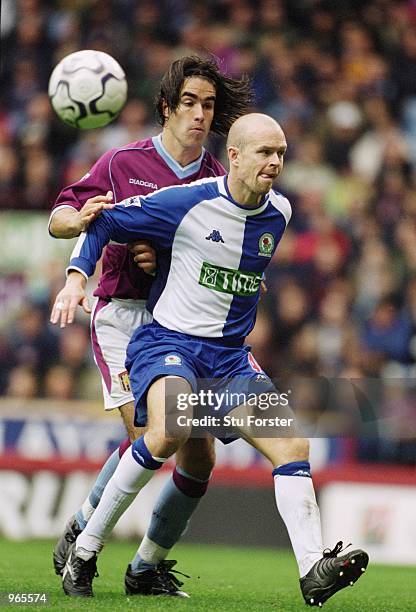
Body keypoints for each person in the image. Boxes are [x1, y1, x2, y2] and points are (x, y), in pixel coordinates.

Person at [52, 113, 369, 606]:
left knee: (292, 445)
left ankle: (312, 570)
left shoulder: (279, 213)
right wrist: (77, 276)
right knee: (170, 429)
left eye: (281, 153)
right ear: (235, 157)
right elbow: (105, 219)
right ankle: (86, 549)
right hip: (169, 344)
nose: (275, 162)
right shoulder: (187, 201)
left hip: (229, 362)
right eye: (265, 152)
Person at [49, 55, 252, 596]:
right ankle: (81, 534)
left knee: (201, 456)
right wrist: (85, 225)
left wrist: (158, 259)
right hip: (120, 315)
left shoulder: (219, 180)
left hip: (179, 326)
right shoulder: (122, 162)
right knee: (151, 435)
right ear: (167, 107)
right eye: (189, 103)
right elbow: (62, 217)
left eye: (209, 105)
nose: (200, 115)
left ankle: (146, 568)